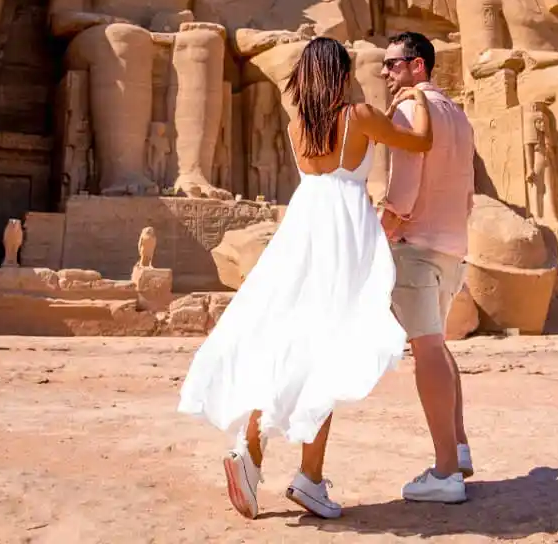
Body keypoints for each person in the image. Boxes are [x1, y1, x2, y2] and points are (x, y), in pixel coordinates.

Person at [178, 36, 435, 520]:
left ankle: (252, 454)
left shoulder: (298, 125)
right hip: (343, 234)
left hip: (302, 230)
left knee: (290, 342)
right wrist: (416, 97)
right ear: (339, 74)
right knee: (329, 354)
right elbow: (421, 141)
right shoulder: (357, 117)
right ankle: (307, 479)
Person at [378, 31, 476, 504]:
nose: (386, 73)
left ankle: (444, 472)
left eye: (394, 64)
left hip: (416, 245)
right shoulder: (458, 114)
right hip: (453, 245)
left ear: (419, 66)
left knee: (428, 350)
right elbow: (468, 190)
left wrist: (380, 233)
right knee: (437, 346)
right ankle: (457, 446)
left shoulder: (408, 110)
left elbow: (404, 188)